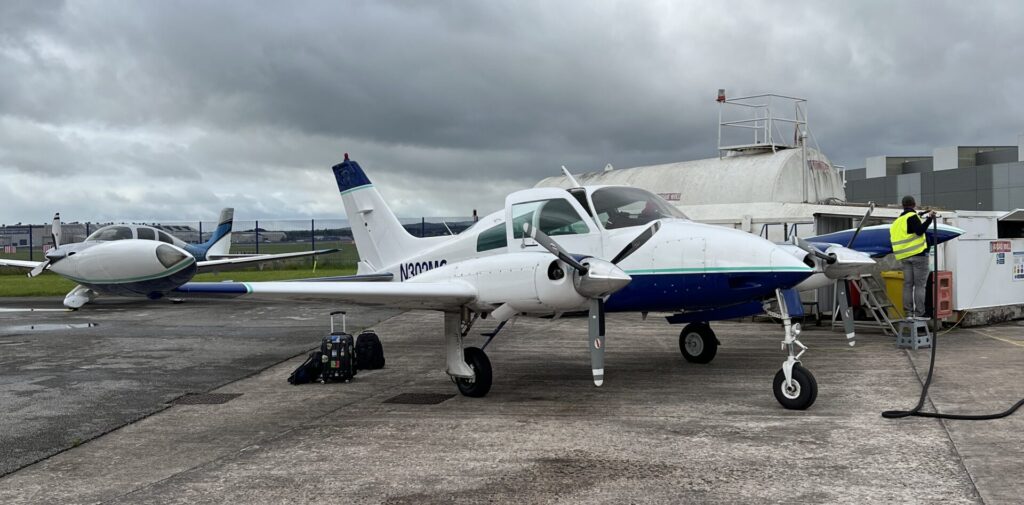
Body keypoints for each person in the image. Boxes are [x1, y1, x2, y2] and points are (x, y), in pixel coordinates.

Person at [889, 195, 935, 320]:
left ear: (903, 205)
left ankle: (908, 313)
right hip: (919, 255)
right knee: (920, 285)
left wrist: (920, 216)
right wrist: (929, 219)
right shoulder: (912, 217)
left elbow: (908, 230)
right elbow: (919, 231)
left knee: (908, 285)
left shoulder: (897, 222)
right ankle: (920, 313)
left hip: (905, 256)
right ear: (914, 204)